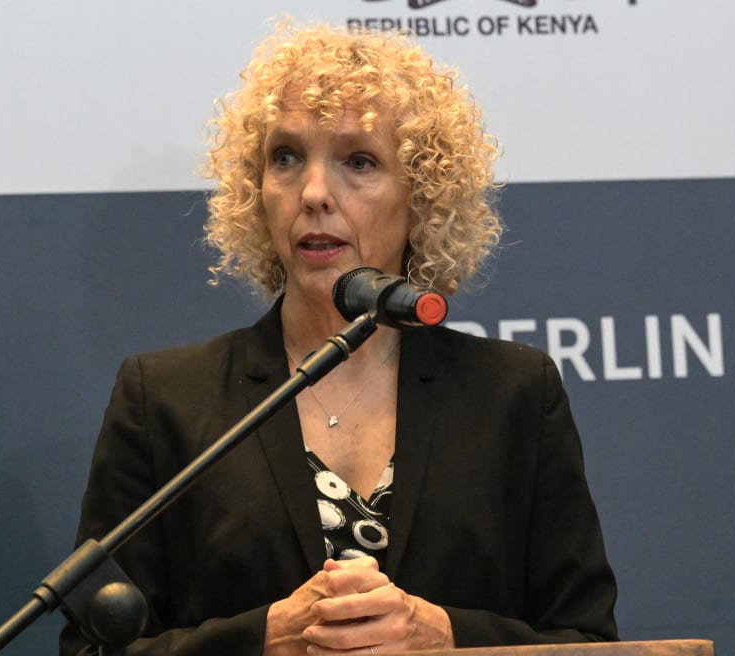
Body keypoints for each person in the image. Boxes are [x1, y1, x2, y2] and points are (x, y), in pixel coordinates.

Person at [61, 21, 617, 656]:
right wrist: (261, 640)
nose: (315, 194)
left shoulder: (514, 394)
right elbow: (88, 648)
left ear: (422, 198)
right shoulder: (164, 401)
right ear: (255, 191)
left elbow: (588, 640)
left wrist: (447, 638)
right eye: (286, 158)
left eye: (359, 161)